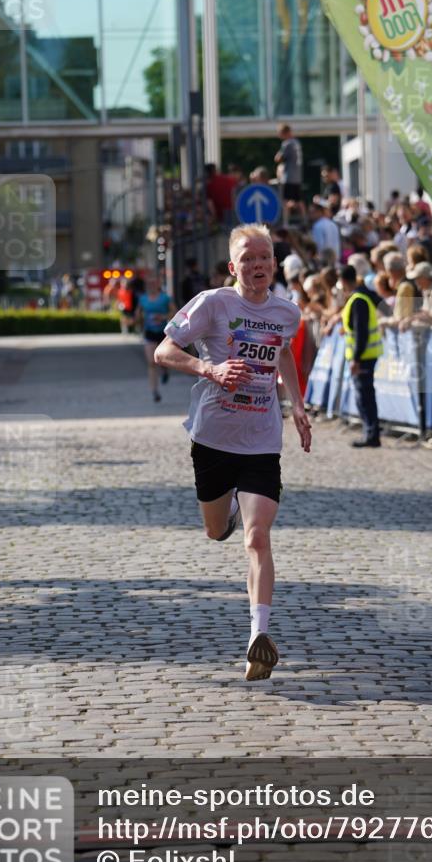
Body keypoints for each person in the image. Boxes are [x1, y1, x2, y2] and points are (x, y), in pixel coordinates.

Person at [153, 224, 312, 681]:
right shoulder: (213, 304)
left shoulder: (288, 313)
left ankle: (257, 638)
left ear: (274, 264)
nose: (257, 264)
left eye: (264, 257)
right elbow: (165, 351)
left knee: (257, 536)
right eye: (247, 258)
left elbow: (283, 355)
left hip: (262, 439)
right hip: (213, 438)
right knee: (215, 528)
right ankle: (220, 520)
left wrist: (296, 405)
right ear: (232, 267)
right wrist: (209, 367)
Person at [339, 265, 383, 448]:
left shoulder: (358, 300)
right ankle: (370, 433)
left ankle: (371, 435)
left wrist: (356, 359)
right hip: (366, 355)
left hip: (363, 356)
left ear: (343, 281)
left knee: (364, 397)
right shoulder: (361, 297)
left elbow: (361, 333)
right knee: (365, 396)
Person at [137, 274, 175, 402]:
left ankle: (164, 371)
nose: (151, 286)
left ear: (158, 285)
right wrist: (137, 321)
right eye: (149, 284)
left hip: (163, 333)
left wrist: (163, 317)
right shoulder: (143, 299)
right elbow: (139, 313)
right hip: (149, 333)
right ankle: (155, 391)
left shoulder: (165, 298)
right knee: (151, 363)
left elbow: (174, 312)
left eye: (154, 283)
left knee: (162, 360)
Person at [274, 123, 304, 223]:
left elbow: (278, 158)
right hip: (297, 176)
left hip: (289, 177)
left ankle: (286, 223)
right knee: (298, 200)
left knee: (285, 201)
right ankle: (305, 220)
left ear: (284, 133)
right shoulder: (296, 143)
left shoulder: (287, 143)